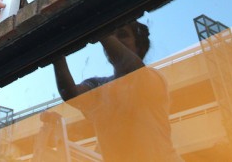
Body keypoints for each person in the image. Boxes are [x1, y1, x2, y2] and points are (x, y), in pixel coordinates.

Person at [52, 21, 182, 161]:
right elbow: (71, 94)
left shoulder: (151, 79)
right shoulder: (98, 86)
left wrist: (95, 24)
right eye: (112, 35)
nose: (114, 39)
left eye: (122, 35)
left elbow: (128, 67)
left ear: (139, 47)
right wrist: (56, 50)